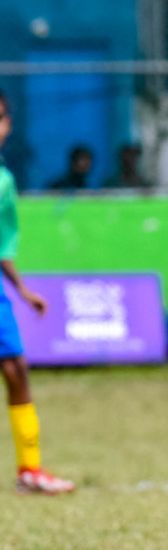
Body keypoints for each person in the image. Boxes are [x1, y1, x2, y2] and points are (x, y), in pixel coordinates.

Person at [0, 91, 74, 495]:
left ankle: (30, 469)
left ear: (8, 125)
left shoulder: (5, 181)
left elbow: (1, 244)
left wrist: (23, 290)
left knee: (15, 369)